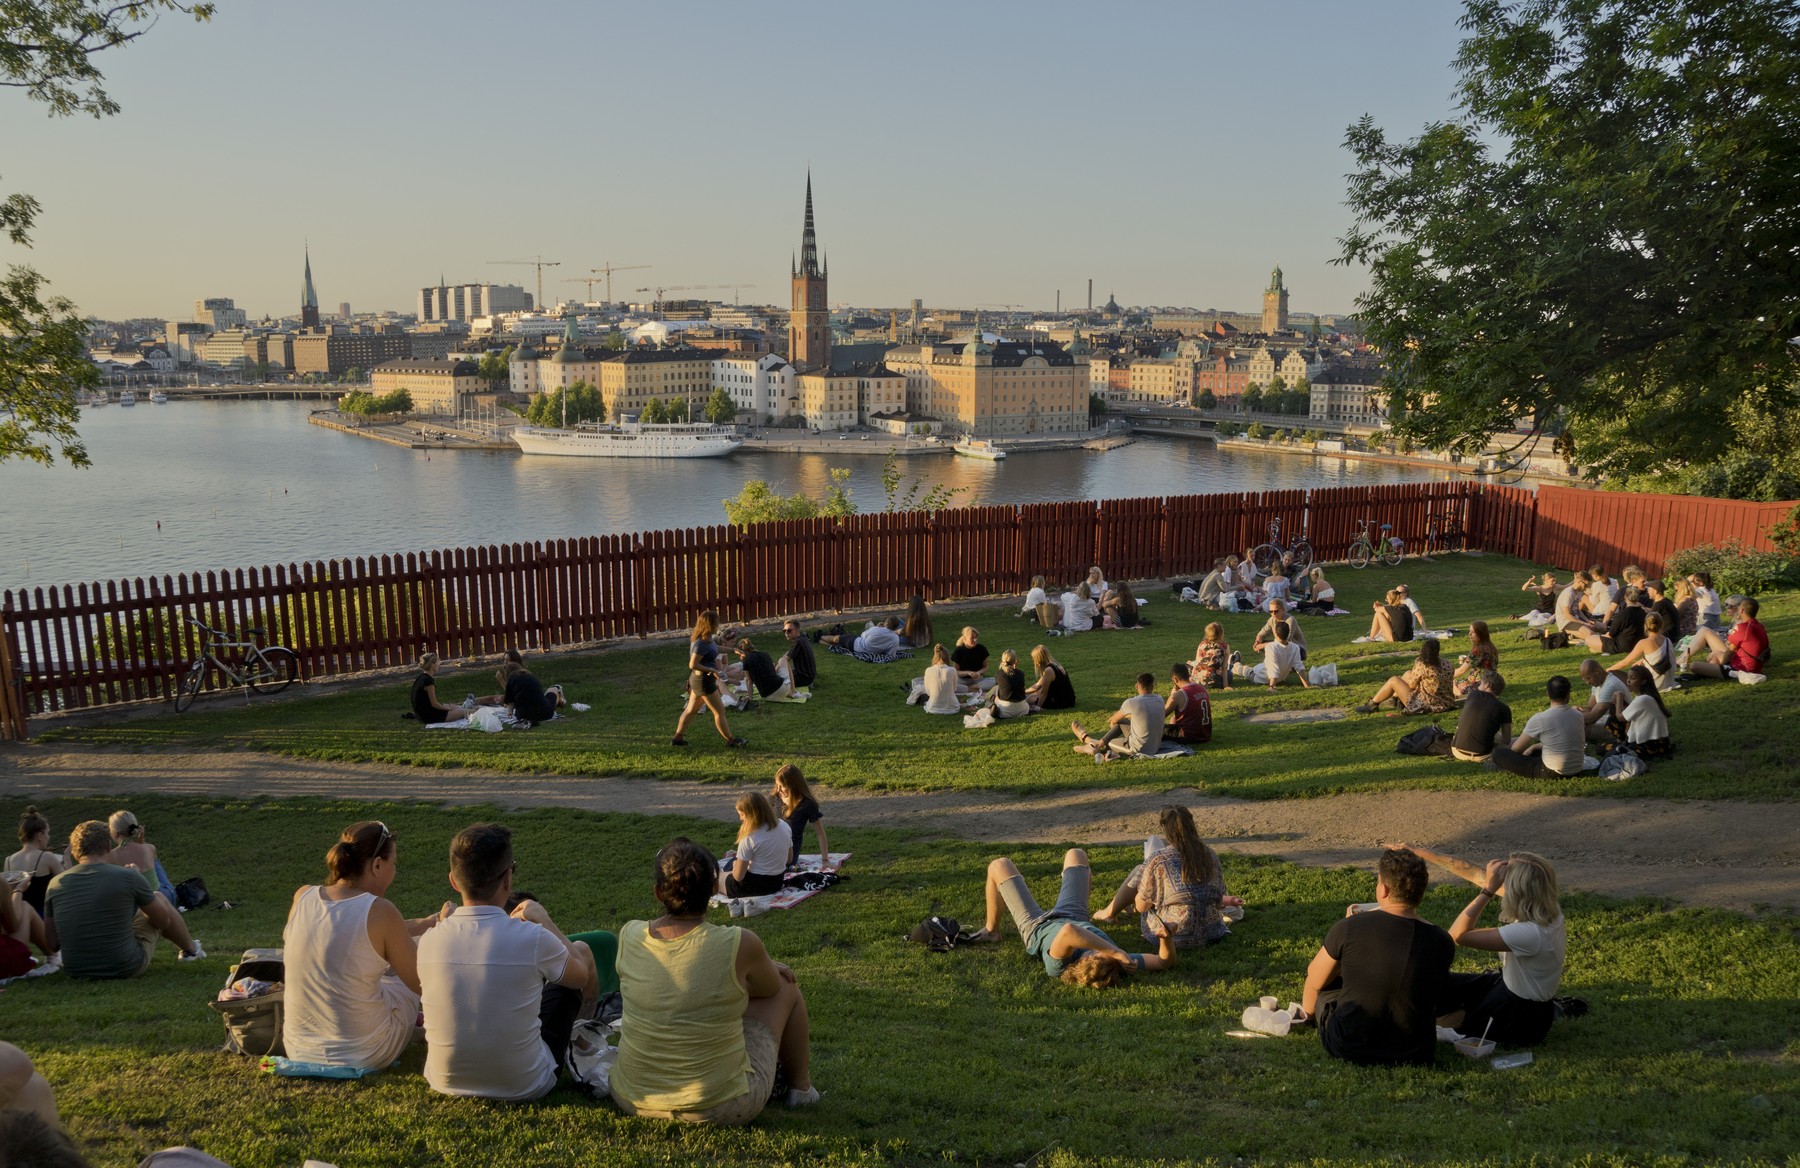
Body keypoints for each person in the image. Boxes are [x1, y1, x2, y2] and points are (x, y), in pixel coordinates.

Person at [610, 839, 817, 1123]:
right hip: (719, 1105)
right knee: (786, 987)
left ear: (658, 892)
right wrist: (758, 966)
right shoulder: (739, 942)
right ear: (712, 889)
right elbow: (769, 988)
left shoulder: (630, 934)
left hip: (631, 1097)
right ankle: (801, 1089)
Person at [417, 823, 597, 1101]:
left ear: (454, 880)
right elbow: (580, 976)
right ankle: (585, 1044)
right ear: (507, 880)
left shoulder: (430, 940)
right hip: (525, 1083)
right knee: (577, 956)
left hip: (444, 1080)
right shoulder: (533, 937)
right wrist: (544, 919)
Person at [282, 821, 446, 1070]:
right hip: (362, 1051)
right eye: (394, 865)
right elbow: (424, 984)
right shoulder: (380, 911)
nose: (395, 872)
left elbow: (357, 930)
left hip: (297, 1047)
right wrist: (441, 935)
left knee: (382, 963)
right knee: (417, 956)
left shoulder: (303, 895)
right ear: (378, 865)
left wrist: (427, 922)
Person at [1396, 846, 1582, 1046]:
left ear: (1518, 891)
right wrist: (1418, 852)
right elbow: (1475, 874)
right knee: (1437, 983)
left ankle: (1554, 1011)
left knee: (1459, 1032)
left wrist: (1488, 891)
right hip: (1506, 985)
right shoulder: (1547, 908)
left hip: (1520, 1013)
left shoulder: (1529, 933)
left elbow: (1458, 935)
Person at [1294, 848, 1454, 1066]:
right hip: (1415, 1051)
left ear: (1384, 889)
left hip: (1350, 1045)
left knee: (1327, 989)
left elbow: (1315, 977)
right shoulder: (1442, 940)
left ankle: (1308, 1019)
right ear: (1421, 891)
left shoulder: (1349, 927)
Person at [964, 849, 1176, 987]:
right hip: (1075, 915)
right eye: (1102, 954)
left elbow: (1069, 932)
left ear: (1082, 961)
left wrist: (1115, 951)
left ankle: (992, 931)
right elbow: (1163, 962)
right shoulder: (1118, 963)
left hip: (1036, 925)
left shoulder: (1058, 965)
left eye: (1094, 953)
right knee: (1077, 855)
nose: (1098, 951)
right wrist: (1166, 939)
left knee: (999, 865)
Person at [44, 821, 203, 978]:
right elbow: (162, 921)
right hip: (125, 965)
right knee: (158, 897)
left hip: (76, 968)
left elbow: (51, 943)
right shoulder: (127, 876)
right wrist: (138, 881)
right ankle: (191, 950)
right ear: (107, 846)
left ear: (74, 852)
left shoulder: (55, 884)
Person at [1092, 807, 1240, 950]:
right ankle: (1110, 912)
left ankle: (1109, 913)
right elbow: (1220, 899)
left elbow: (1142, 907)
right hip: (1212, 933)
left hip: (1173, 936)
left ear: (1166, 828)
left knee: (1140, 874)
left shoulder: (1159, 859)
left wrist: (1140, 892)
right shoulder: (1209, 854)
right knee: (1142, 872)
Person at [1487, 677, 1589, 778]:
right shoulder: (1578, 715)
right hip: (1577, 769)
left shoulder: (1541, 718)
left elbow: (1516, 749)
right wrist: (1534, 746)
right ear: (1568, 694)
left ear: (1548, 693)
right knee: (1534, 751)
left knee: (1498, 753)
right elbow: (1564, 740)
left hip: (1552, 772)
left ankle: (1503, 765)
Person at [673, 610, 746, 748]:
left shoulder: (707, 638)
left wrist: (733, 650)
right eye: (716, 622)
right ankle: (731, 741)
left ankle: (677, 738)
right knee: (719, 712)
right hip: (703, 681)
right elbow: (693, 664)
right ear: (709, 624)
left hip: (698, 680)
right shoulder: (700, 643)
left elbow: (715, 648)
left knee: (690, 710)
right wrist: (712, 670)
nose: (718, 624)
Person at [1071, 672, 1166, 760]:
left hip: (1137, 749)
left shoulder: (1132, 702)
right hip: (1155, 746)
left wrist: (1113, 723)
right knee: (1123, 721)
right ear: (1152, 687)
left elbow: (1114, 720)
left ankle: (1092, 744)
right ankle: (1094, 742)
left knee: (1110, 742)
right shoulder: (1159, 699)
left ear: (1136, 686)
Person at [1680, 596, 1769, 684]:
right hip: (1754, 665)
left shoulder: (1743, 627)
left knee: (1693, 666)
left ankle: (1711, 672)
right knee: (1714, 655)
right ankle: (1710, 672)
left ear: (1741, 610)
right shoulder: (1759, 625)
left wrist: (1723, 666)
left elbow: (1730, 651)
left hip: (1741, 668)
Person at [719, 793, 791, 900]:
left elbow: (738, 877)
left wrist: (735, 867)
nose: (740, 818)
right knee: (733, 864)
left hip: (754, 886)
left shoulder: (750, 837)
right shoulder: (785, 826)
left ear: (750, 814)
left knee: (716, 877)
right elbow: (789, 859)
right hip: (777, 882)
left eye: (742, 814)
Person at [1355, 639, 1454, 716]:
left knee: (1394, 680)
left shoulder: (1423, 665)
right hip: (1445, 702)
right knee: (1408, 673)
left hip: (1426, 704)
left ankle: (1373, 704)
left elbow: (1411, 685)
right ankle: (1394, 700)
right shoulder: (1448, 663)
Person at [105, 810, 175, 904]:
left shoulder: (110, 857)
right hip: (164, 899)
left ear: (115, 833)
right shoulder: (149, 848)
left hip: (136, 905)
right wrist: (142, 844)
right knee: (154, 862)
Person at [6, 807, 64, 917]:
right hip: (43, 917)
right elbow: (67, 884)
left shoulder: (8, 860)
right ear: (39, 835)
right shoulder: (47, 857)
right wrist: (65, 859)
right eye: (47, 833)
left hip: (20, 916)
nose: (48, 837)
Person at [771, 765, 828, 870]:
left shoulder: (807, 804)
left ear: (794, 785)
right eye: (777, 785)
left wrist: (825, 860)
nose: (778, 789)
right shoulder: (776, 797)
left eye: (782, 786)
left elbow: (820, 833)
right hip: (771, 843)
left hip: (789, 852)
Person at [1450, 671, 1511, 762]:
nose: (1478, 685)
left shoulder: (1473, 695)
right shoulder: (1504, 708)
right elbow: (1506, 740)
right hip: (1482, 755)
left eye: (1481, 682)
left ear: (1487, 684)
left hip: (1457, 751)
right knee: (1517, 742)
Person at [1618, 664, 1674, 758]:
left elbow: (1620, 717)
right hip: (1660, 744)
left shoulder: (1643, 699)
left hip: (1649, 745)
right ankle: (1622, 745)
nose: (1628, 681)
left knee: (1604, 749)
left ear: (1643, 681)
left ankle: (1624, 747)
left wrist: (1619, 698)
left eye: (1633, 678)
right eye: (1628, 678)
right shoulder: (1644, 697)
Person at [1235, 620, 1309, 690]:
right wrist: (1307, 686)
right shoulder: (1295, 647)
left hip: (1261, 677)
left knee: (1245, 671)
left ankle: (1234, 664)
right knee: (1259, 666)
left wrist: (1272, 686)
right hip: (1279, 678)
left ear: (1275, 633)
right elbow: (1299, 667)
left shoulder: (1271, 647)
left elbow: (1273, 669)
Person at [1614, 612, 1677, 691]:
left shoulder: (1644, 642)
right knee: (1637, 664)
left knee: (1613, 673)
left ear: (1645, 626)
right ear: (1661, 625)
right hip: (1669, 682)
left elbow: (1625, 662)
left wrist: (1607, 670)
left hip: (1653, 685)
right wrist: (1643, 660)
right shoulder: (1668, 640)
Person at [1576, 659, 1630, 740]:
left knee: (1577, 729)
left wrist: (1569, 716)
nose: (1587, 683)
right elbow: (1591, 708)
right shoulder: (1597, 683)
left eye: (1588, 678)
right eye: (1584, 680)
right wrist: (1574, 710)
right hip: (1605, 719)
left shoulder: (1610, 685)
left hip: (1619, 726)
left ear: (1597, 671)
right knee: (1576, 724)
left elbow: (1592, 718)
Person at [409, 652, 468, 725]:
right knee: (467, 711)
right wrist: (449, 709)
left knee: (451, 706)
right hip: (429, 716)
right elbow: (434, 704)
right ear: (432, 664)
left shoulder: (421, 677)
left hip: (422, 714)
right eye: (437, 662)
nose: (438, 665)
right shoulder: (428, 681)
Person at [1161, 663, 1213, 745]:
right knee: (1174, 719)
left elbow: (1161, 716)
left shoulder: (1179, 694)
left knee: (1152, 729)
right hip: (1205, 735)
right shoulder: (1202, 688)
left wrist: (1172, 696)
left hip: (1187, 737)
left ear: (1175, 679)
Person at [733, 637, 792, 702]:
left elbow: (748, 680)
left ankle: (792, 692)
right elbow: (773, 671)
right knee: (783, 660)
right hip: (783, 689)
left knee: (781, 661)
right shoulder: (765, 654)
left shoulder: (746, 660)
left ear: (742, 652)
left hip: (768, 696)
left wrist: (750, 697)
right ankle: (793, 691)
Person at [1452, 621, 1499, 696]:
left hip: (1480, 683)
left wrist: (1446, 675)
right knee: (1456, 682)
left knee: (1450, 684)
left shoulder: (1477, 651)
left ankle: (1459, 693)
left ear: (1480, 634)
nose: (1469, 634)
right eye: (1469, 631)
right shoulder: (1492, 647)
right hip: (1493, 682)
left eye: (1473, 632)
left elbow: (1461, 670)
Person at [1025, 644, 1076, 710]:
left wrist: (1037, 707)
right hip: (1070, 699)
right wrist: (1022, 691)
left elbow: (1044, 693)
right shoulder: (1055, 664)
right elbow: (1037, 685)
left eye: (1033, 659)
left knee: (1030, 699)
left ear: (1038, 659)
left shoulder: (1048, 670)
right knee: (1034, 694)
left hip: (1062, 702)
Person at [987, 648, 1033, 719]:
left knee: (995, 690)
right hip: (1023, 710)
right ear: (1016, 661)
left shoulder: (998, 674)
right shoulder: (1021, 674)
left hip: (1005, 711)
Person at [919, 644, 962, 715]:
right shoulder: (952, 670)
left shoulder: (928, 670)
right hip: (951, 708)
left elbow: (928, 692)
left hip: (933, 707)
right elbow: (954, 689)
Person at [1191, 622, 1234, 691]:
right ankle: (1232, 663)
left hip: (1200, 681)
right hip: (1216, 682)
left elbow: (1197, 663)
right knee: (1230, 674)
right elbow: (1224, 668)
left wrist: (1192, 679)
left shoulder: (1201, 645)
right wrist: (1225, 685)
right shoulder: (1225, 646)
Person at [950, 627, 994, 691]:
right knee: (949, 685)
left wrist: (978, 673)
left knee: (995, 681)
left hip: (977, 680)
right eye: (972, 637)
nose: (975, 640)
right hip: (962, 680)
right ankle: (974, 688)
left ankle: (970, 688)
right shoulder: (958, 651)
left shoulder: (982, 649)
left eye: (976, 637)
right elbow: (956, 671)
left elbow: (985, 667)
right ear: (965, 638)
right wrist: (968, 673)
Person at [780, 618, 816, 696]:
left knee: (776, 680)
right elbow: (787, 655)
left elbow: (785, 661)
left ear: (796, 630)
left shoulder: (798, 642)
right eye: (784, 631)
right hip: (808, 674)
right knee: (782, 672)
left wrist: (774, 671)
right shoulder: (802, 637)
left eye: (789, 631)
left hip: (805, 677)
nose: (786, 633)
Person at [1645, 579, 1682, 647]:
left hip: (1667, 636)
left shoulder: (1659, 604)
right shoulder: (1666, 601)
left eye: (1649, 590)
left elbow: (1649, 620)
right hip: (1674, 635)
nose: (1648, 592)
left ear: (1655, 591)